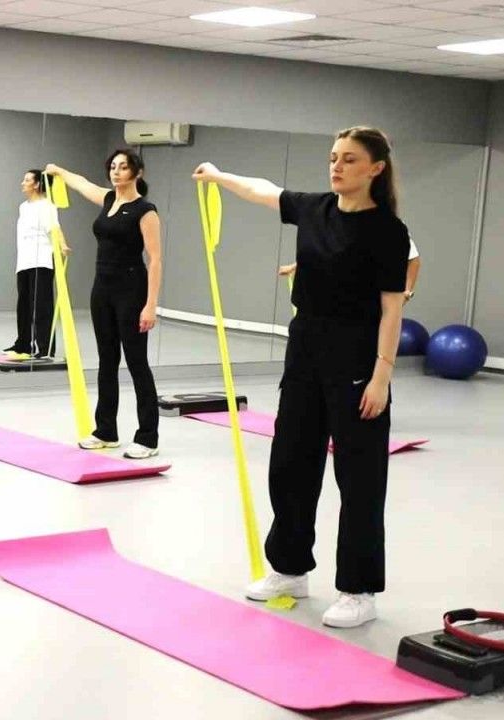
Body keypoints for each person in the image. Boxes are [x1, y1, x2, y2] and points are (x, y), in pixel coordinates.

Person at [192, 126, 409, 629]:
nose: (337, 166)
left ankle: (358, 589)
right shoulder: (314, 208)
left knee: (359, 478)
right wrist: (220, 177)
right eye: (334, 157)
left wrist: (381, 376)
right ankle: (289, 568)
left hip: (357, 359)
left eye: (349, 159)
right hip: (305, 351)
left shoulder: (387, 231)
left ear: (375, 168)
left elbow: (391, 309)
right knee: (291, 463)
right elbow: (264, 190)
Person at [45, 150, 163, 460]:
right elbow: (81, 183)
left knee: (137, 363)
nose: (116, 171)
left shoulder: (145, 211)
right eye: (113, 166)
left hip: (131, 290)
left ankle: (148, 437)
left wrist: (150, 305)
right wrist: (59, 170)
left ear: (137, 172)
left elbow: (155, 259)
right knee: (106, 361)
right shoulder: (109, 199)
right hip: (102, 289)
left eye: (123, 167)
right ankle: (106, 431)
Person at [6, 168, 69, 359]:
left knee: (41, 306)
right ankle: (23, 344)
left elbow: (54, 227)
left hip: (41, 261)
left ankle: (44, 347)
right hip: (24, 262)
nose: (23, 183)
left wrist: (63, 245)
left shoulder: (47, 206)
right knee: (24, 305)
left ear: (37, 184)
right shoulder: (23, 207)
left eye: (27, 180)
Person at [280, 238, 420, 304]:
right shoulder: (342, 221)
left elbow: (413, 259)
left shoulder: (391, 226)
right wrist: (294, 266)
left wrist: (407, 293)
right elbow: (322, 251)